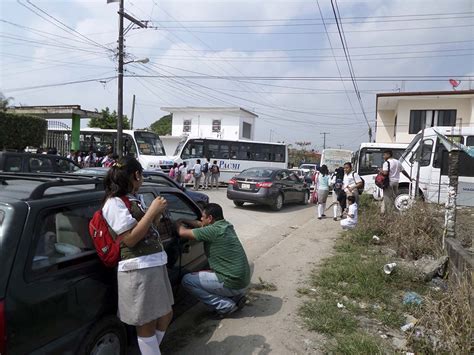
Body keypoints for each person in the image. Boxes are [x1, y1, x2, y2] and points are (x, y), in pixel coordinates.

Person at [102, 157, 173, 355]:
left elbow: (147, 231)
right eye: (141, 176)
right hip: (138, 268)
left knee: (166, 315)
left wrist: (156, 215)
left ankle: (151, 350)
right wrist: (152, 212)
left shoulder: (134, 199)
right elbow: (130, 240)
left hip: (154, 263)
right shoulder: (114, 203)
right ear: (136, 175)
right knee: (147, 324)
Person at [177, 203, 251, 316]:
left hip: (233, 282)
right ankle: (236, 297)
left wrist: (177, 222)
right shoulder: (225, 226)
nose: (201, 218)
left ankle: (225, 306)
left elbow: (181, 232)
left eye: (203, 216)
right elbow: (200, 224)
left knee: (187, 280)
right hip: (242, 280)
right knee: (204, 272)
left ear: (210, 218)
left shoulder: (212, 232)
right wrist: (184, 219)